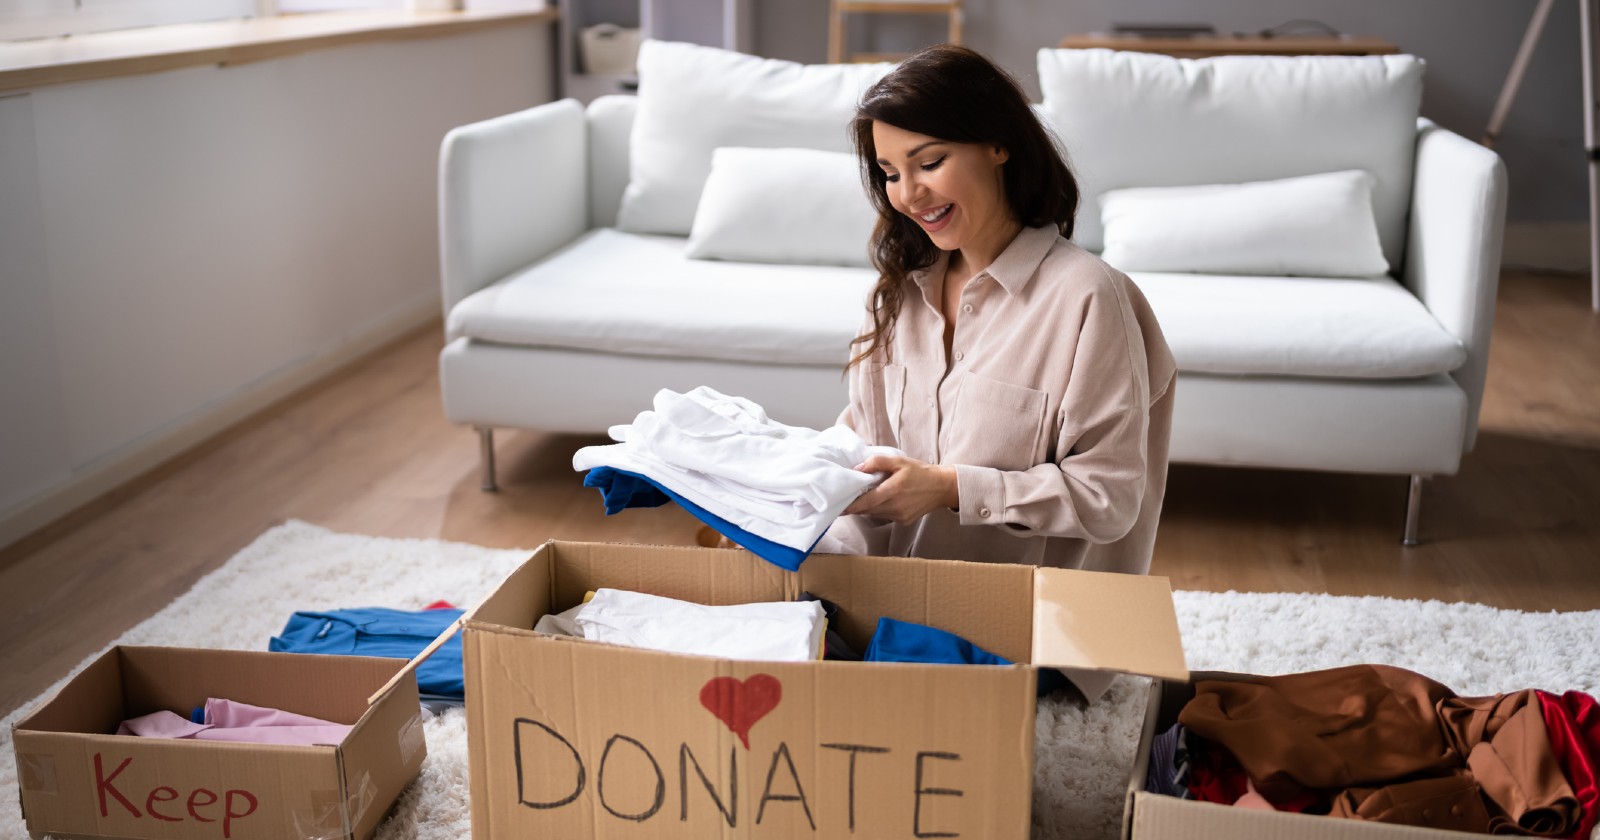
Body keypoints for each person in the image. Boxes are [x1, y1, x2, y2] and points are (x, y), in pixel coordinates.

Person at [816, 44, 1177, 577]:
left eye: (930, 163)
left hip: (1030, 617)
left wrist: (951, 488)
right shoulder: (896, 295)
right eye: (890, 173)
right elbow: (863, 452)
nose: (909, 194)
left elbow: (1108, 498)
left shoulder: (1089, 297)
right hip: (888, 598)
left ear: (998, 145)